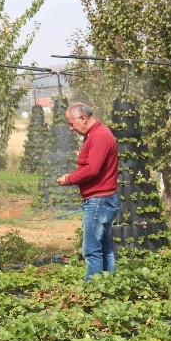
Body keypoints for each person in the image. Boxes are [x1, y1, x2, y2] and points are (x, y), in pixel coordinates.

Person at [56, 102, 119, 281]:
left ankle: (92, 293)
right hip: (104, 199)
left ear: (82, 118)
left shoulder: (99, 136)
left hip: (99, 200)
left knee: (91, 250)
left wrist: (68, 179)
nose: (70, 128)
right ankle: (108, 287)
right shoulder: (96, 134)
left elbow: (92, 170)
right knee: (104, 248)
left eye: (71, 123)